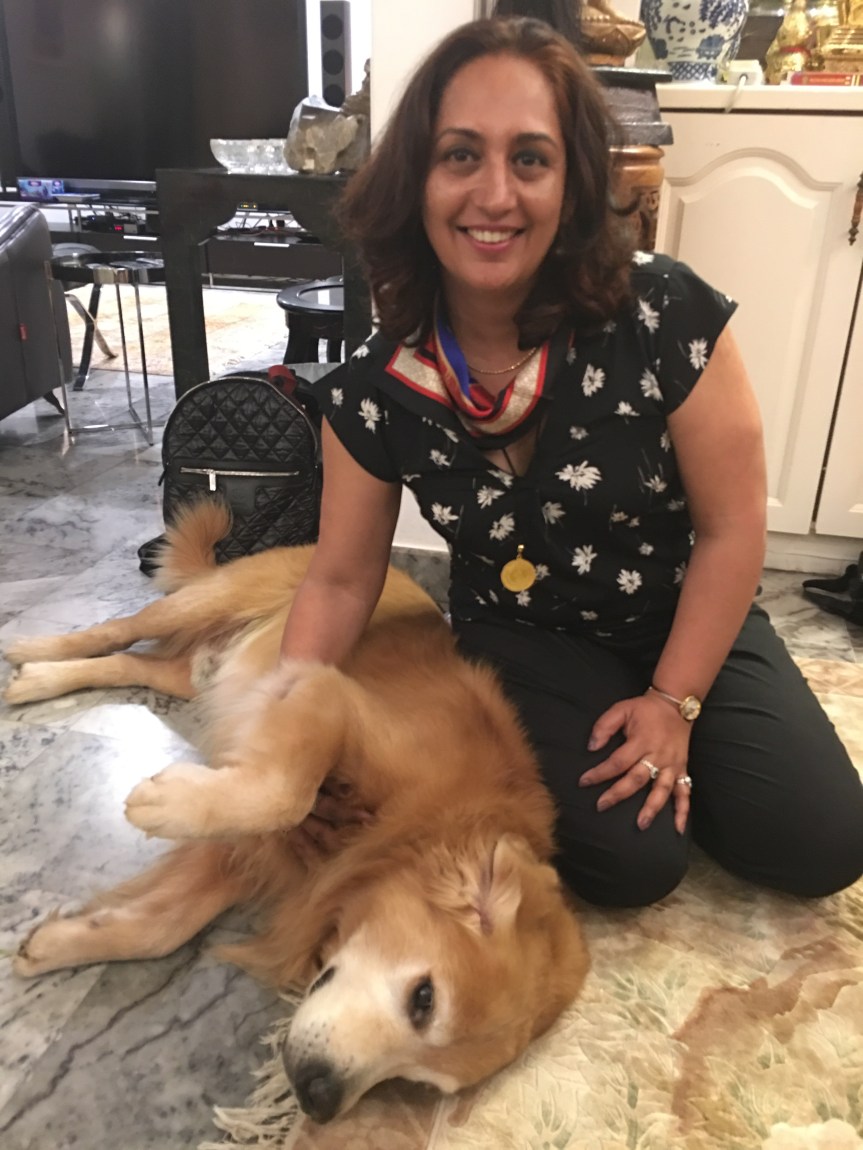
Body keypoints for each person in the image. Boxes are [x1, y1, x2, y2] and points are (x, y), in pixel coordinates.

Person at [280, 16, 863, 907]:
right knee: (634, 865)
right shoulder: (373, 385)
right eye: (460, 155)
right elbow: (338, 581)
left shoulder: (665, 314)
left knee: (821, 843)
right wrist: (286, 741)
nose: (494, 195)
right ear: (415, 178)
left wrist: (673, 702)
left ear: (572, 182)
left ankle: (684, 750)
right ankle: (657, 775)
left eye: (530, 159)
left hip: (679, 605)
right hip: (524, 637)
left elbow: (732, 526)